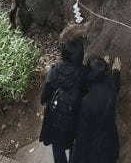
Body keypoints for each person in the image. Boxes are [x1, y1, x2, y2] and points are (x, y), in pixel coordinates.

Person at [40, 25, 88, 163]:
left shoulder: (54, 71)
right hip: (74, 119)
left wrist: (45, 100)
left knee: (57, 148)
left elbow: (44, 96)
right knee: (74, 145)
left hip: (56, 119)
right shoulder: (84, 73)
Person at [71, 57, 121, 163]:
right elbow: (114, 83)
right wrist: (114, 70)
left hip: (93, 148)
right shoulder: (110, 89)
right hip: (109, 142)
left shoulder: (86, 101)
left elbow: (82, 134)